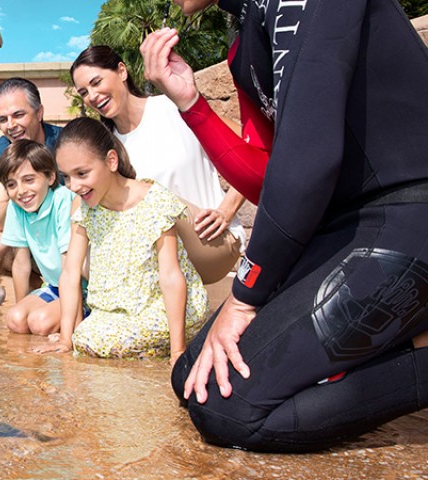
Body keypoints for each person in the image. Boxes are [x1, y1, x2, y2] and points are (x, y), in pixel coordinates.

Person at [141, 0, 428, 452]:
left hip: (410, 212)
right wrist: (191, 103)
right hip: (345, 230)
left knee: (230, 411)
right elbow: (268, 178)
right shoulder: (249, 37)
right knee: (191, 378)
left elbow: (308, 167)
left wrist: (245, 295)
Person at [34, 116, 207, 366]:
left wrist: (178, 351)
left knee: (96, 340)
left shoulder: (153, 200)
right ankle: (142, 351)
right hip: (118, 311)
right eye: (67, 177)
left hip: (162, 308)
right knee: (83, 337)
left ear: (111, 161)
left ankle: (163, 346)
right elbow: (70, 272)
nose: (74, 185)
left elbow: (170, 275)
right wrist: (65, 337)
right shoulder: (85, 208)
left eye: (82, 173)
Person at [70, 45, 246, 284]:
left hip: (211, 243)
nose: (92, 95)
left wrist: (227, 209)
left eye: (96, 82)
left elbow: (249, 147)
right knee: (78, 206)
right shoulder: (107, 146)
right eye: (83, 92)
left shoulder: (173, 107)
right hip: (159, 263)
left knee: (147, 192)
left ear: (122, 71)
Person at [0, 78, 62, 277]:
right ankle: (41, 294)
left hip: (71, 232)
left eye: (18, 115)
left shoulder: (67, 142)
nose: (11, 125)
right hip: (33, 234)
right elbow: (0, 222)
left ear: (39, 113)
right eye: (3, 119)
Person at [0, 140, 78, 335]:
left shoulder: (63, 199)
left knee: (40, 323)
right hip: (54, 287)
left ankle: (83, 318)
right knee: (15, 319)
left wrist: (67, 333)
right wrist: (22, 308)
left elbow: (70, 267)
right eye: (12, 184)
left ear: (50, 177)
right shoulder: (17, 208)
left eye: (29, 180)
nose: (21, 191)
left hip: (80, 289)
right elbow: (21, 264)